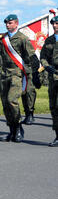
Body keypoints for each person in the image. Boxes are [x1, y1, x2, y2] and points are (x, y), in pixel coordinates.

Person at [0, 15, 41, 143]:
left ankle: (19, 127)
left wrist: (35, 74)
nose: (8, 25)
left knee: (11, 100)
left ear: (16, 23)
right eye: (6, 23)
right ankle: (12, 130)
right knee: (5, 104)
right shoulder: (3, 38)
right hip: (4, 74)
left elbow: (32, 57)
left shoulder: (22, 39)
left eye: (10, 23)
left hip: (17, 74)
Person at [39, 15, 58, 147]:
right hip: (53, 76)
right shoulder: (49, 40)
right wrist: (46, 66)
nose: (55, 26)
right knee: (53, 107)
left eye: (57, 24)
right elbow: (43, 56)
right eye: (53, 24)